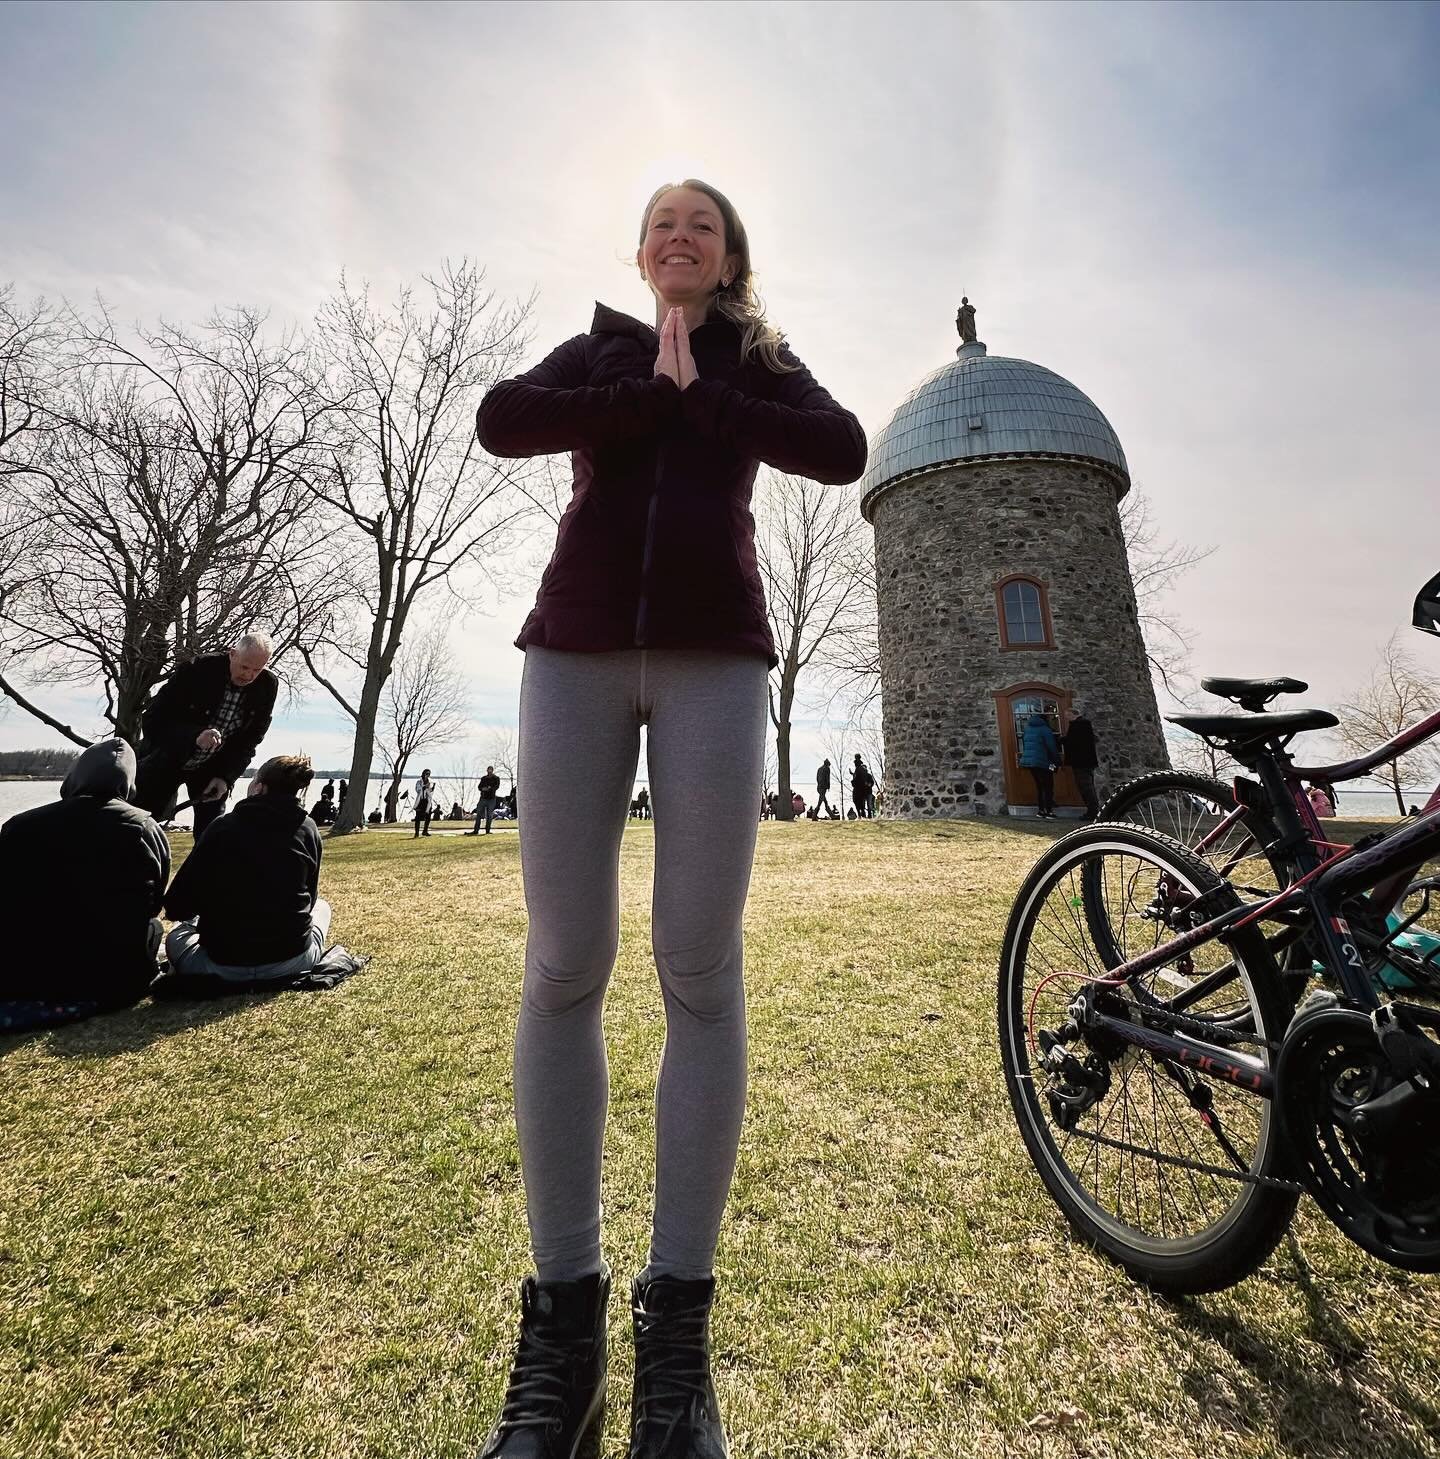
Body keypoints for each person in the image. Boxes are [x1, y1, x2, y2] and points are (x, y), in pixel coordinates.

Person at [474, 177, 865, 1458]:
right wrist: (651, 387)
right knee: (560, 964)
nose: (680, 237)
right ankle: (565, 1333)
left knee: (698, 968)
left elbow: (843, 447)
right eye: (662, 224)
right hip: (575, 653)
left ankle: (675, 1351)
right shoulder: (599, 346)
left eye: (703, 224)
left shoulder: (760, 357)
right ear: (641, 256)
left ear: (730, 254)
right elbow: (501, 420)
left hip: (715, 658)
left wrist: (717, 394)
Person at [0, 739, 169, 1032]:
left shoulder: (19, 826)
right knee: (154, 927)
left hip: (22, 975)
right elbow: (154, 905)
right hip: (110, 980)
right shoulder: (144, 828)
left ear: (75, 776)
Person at [163, 754, 330, 984]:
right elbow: (310, 899)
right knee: (322, 907)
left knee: (178, 932)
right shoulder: (308, 828)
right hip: (292, 960)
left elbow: (177, 906)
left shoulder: (222, 827)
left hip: (219, 964)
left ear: (259, 788)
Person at [132, 633, 278, 839]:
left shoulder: (267, 686)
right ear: (232, 654)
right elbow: (153, 721)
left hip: (214, 768)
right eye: (245, 667)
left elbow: (249, 740)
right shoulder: (196, 670)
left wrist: (225, 777)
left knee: (212, 835)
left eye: (257, 669)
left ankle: (207, 870)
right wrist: (195, 736)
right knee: (138, 826)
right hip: (165, 758)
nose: (249, 676)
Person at [1061, 706, 1101, 820]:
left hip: (1081, 762)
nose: (1066, 718)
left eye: (1067, 715)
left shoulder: (1078, 725)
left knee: (1085, 787)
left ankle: (1093, 812)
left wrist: (1061, 740)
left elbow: (1073, 741)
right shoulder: (1084, 724)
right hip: (1086, 761)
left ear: (1072, 714)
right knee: (1088, 786)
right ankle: (1093, 810)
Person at [1020, 712, 1062, 818]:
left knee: (1039, 786)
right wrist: (1057, 761)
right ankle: (1049, 810)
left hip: (1030, 761)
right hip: (1044, 761)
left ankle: (1041, 810)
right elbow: (1051, 747)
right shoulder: (1045, 729)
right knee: (1048, 786)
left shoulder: (1028, 728)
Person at [468, 765, 502, 835]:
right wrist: (483, 789)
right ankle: (476, 830)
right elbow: (479, 787)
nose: (489, 771)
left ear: (492, 770)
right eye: (488, 770)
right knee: (479, 814)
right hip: (483, 798)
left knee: (489, 815)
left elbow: (497, 786)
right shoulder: (483, 778)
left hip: (491, 799)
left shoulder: (496, 778)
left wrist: (490, 788)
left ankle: (487, 830)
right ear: (487, 770)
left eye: (491, 770)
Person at [412, 769, 441, 837]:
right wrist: (425, 787)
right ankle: (416, 833)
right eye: (426, 774)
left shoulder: (430, 782)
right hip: (420, 801)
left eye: (429, 774)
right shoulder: (419, 782)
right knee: (418, 818)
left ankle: (425, 831)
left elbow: (430, 792)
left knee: (428, 817)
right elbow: (418, 790)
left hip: (427, 801)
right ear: (423, 774)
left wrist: (432, 788)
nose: (427, 775)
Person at [851, 754, 875, 819]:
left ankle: (867, 815)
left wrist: (869, 784)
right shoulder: (859, 770)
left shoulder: (866, 774)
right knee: (861, 803)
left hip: (867, 791)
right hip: (864, 791)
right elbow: (857, 777)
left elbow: (871, 782)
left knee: (868, 805)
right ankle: (862, 814)